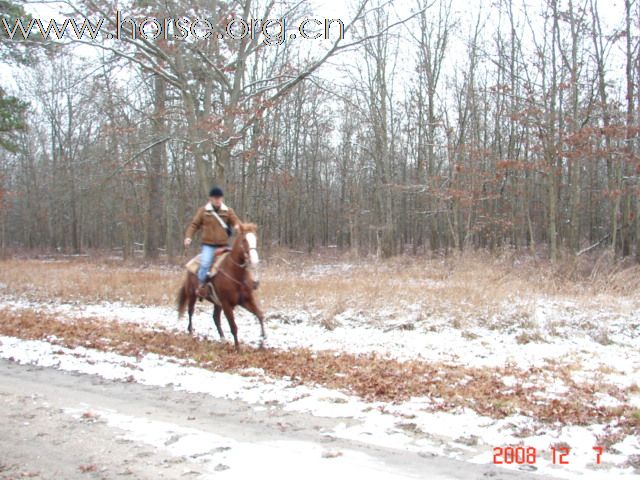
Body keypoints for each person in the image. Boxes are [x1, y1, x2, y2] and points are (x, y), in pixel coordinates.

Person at [184, 186, 240, 298]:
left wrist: (239, 227)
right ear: (210, 199)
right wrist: (188, 237)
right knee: (205, 264)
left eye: (219, 198)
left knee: (235, 264)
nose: (218, 200)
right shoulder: (203, 211)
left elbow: (236, 222)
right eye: (215, 198)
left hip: (224, 245)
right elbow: (194, 225)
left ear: (222, 199)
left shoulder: (228, 211)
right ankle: (201, 286)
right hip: (208, 245)